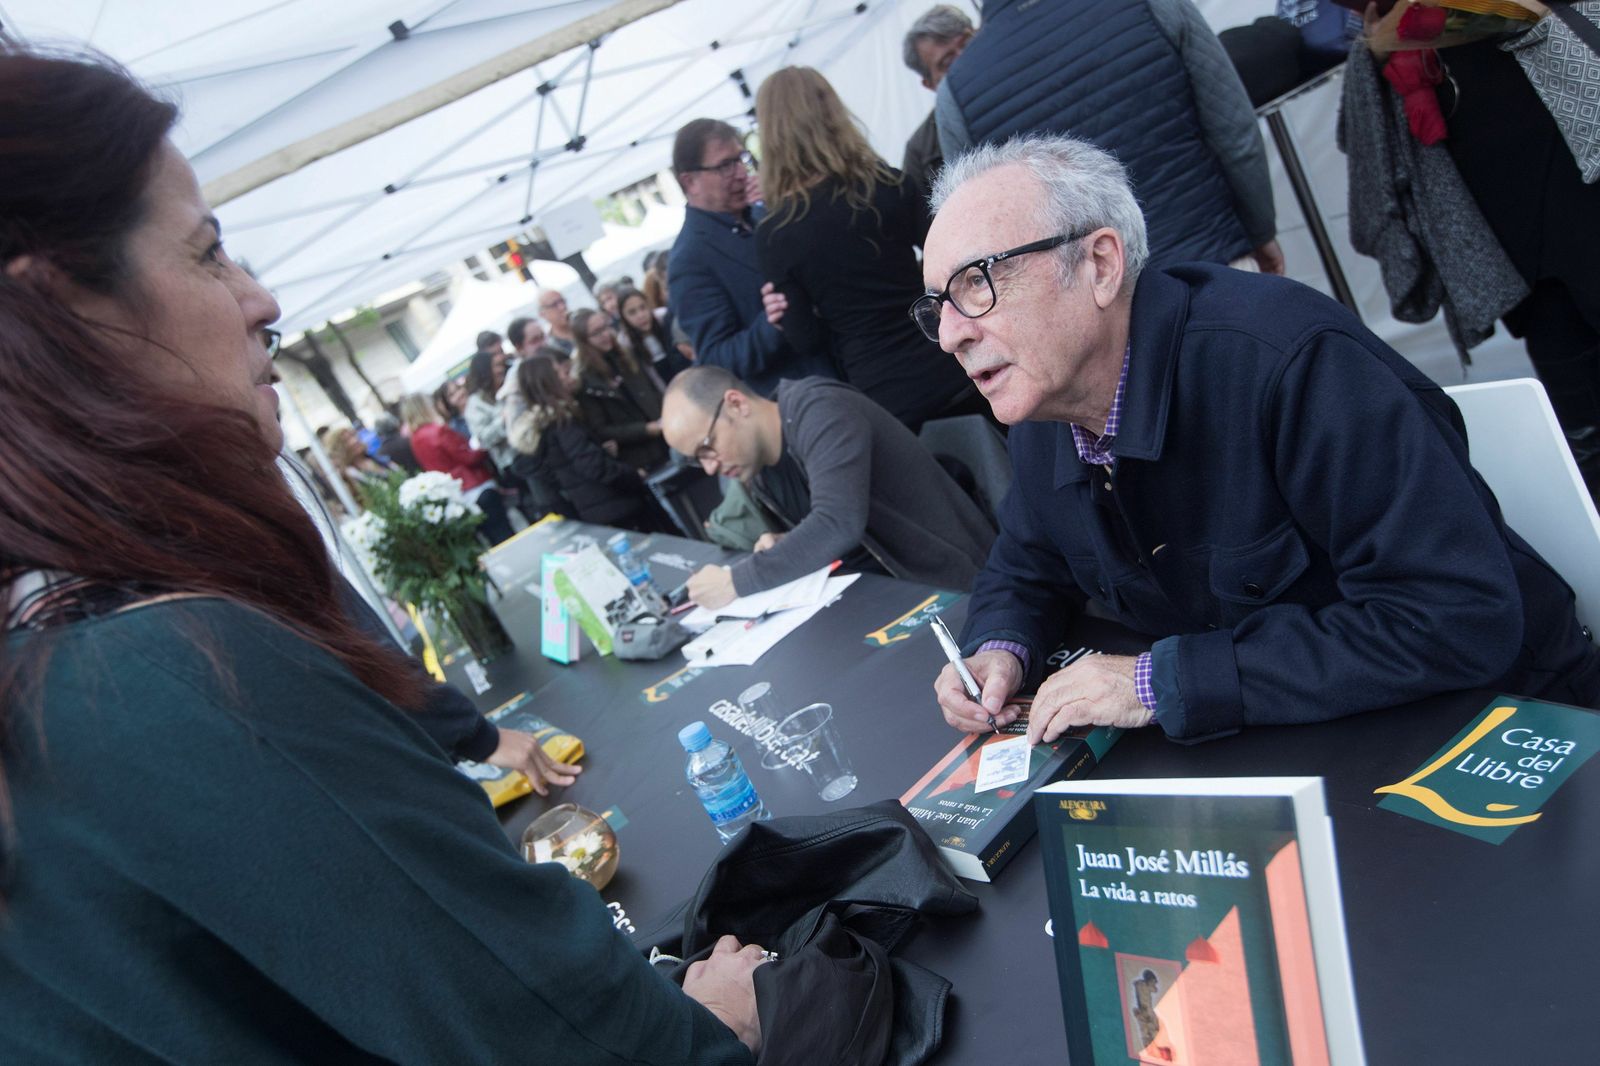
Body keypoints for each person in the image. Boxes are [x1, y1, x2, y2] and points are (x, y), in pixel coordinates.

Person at [0, 48, 761, 1062]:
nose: (260, 298)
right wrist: (720, 1026)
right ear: (65, 312)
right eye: (207, 251)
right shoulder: (172, 672)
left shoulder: (53, 657)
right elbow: (565, 1035)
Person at [919, 134, 1600, 748]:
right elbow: (1027, 558)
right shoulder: (1046, 409)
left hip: (1500, 725)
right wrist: (999, 648)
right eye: (937, 305)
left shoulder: (1292, 364)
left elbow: (1455, 616)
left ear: (1100, 265)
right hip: (1302, 733)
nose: (951, 334)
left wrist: (1157, 683)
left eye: (978, 283)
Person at [935, 0, 1284, 275]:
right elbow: (1236, 135)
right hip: (1214, 267)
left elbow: (986, 236)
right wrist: (1260, 231)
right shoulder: (1151, 6)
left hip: (1096, 320)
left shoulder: (956, 93)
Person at [753, 66, 987, 432]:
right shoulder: (887, 184)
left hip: (885, 392)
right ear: (833, 114)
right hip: (950, 357)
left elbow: (806, 338)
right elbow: (951, 257)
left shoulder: (774, 233)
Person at [660, 366, 996, 609]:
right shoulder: (758, 470)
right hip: (878, 594)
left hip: (950, 587)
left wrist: (735, 581)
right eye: (696, 460)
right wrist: (791, 543)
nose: (709, 466)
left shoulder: (820, 410)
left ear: (736, 403)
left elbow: (837, 523)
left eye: (707, 446)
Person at [666, 118, 837, 396]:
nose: (740, 173)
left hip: (841, 369)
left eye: (740, 159)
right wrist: (771, 323)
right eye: (724, 166)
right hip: (801, 400)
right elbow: (716, 358)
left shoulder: (762, 216)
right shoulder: (689, 260)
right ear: (690, 181)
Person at [509, 356, 673, 532]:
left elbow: (566, 465)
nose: (565, 376)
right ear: (547, 382)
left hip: (594, 510)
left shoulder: (543, 427)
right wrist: (632, 475)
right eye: (558, 373)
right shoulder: (562, 422)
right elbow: (592, 466)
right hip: (614, 506)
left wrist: (600, 452)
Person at [401, 393, 517, 545]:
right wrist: (481, 447)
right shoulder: (438, 431)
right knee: (505, 534)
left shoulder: (415, 440)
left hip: (458, 495)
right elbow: (468, 457)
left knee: (492, 539)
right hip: (476, 486)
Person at [570, 307, 669, 473]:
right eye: (597, 333)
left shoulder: (625, 355)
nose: (606, 334)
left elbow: (652, 390)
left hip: (664, 434)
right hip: (639, 454)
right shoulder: (585, 380)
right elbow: (600, 428)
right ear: (584, 341)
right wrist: (645, 430)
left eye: (606, 327)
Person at [900, 5, 976, 204]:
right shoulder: (920, 150)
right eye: (948, 62)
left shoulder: (1021, 80)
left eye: (968, 46)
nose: (965, 61)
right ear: (930, 83)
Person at [620, 285, 692, 383]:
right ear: (624, 317)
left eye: (643, 307)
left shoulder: (663, 318)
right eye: (632, 312)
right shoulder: (626, 343)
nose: (641, 315)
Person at [538, 288, 577, 355]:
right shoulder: (550, 346)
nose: (562, 307)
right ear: (543, 314)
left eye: (562, 301)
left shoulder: (584, 326)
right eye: (554, 305)